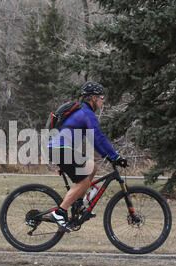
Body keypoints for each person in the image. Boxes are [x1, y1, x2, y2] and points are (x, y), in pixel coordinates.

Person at [47, 81, 127, 232]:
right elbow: (99, 138)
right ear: (93, 98)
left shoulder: (83, 112)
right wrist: (115, 157)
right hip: (61, 149)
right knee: (83, 182)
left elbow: (95, 141)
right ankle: (60, 212)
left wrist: (109, 156)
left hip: (62, 148)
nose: (103, 100)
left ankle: (78, 205)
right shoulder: (86, 113)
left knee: (91, 167)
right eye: (101, 97)